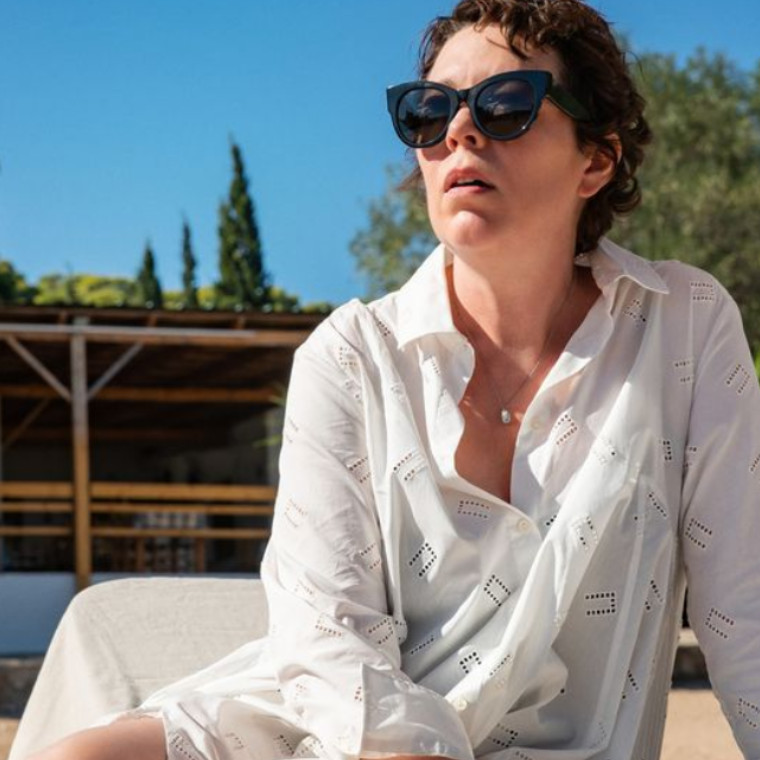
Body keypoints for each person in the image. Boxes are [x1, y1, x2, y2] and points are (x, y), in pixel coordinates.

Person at [28, 0, 760, 758]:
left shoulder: (686, 325)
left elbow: (746, 609)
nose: (458, 132)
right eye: (428, 111)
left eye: (506, 106)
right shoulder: (350, 354)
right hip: (343, 730)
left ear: (596, 160)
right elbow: (327, 631)